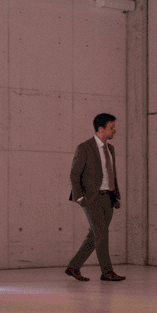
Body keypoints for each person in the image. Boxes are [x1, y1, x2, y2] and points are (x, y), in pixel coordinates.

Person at [65, 112, 125, 282]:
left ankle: (74, 267)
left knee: (96, 234)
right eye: (111, 128)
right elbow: (74, 175)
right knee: (102, 234)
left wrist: (116, 195)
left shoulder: (110, 149)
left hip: (109, 198)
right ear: (100, 129)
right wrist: (79, 198)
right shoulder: (84, 148)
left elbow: (111, 174)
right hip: (91, 198)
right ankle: (107, 271)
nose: (114, 131)